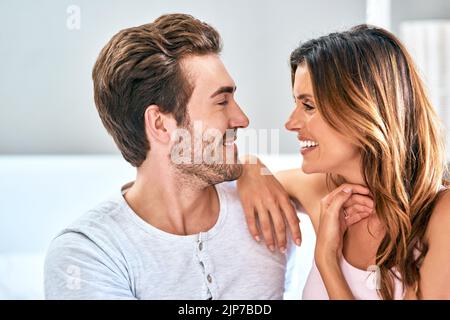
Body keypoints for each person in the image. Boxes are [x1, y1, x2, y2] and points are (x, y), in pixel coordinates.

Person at [44, 13, 292, 299]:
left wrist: (251, 168)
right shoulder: (90, 253)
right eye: (222, 102)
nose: (242, 119)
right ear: (161, 124)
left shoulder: (265, 206)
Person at [237, 25, 450, 299]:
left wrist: (327, 261)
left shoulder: (441, 216)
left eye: (309, 106)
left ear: (362, 109)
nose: (290, 123)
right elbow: (260, 180)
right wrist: (250, 166)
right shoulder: (322, 192)